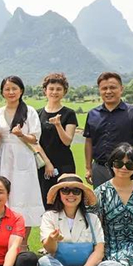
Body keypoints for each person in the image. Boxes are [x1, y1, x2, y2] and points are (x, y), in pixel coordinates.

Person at [37, 173, 122, 266]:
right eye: (66, 190)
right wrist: (52, 239)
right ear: (59, 194)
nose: (71, 195)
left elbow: (99, 251)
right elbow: (49, 249)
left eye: (76, 191)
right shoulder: (49, 216)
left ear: (82, 195)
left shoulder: (92, 218)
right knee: (44, 263)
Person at [0, 75, 44, 247]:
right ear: (2, 92)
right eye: (7, 89)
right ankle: (4, 242)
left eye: (14, 88)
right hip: (3, 158)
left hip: (23, 158)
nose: (11, 92)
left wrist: (21, 134)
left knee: (25, 198)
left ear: (21, 90)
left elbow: (35, 138)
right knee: (5, 197)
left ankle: (23, 243)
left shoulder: (29, 111)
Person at [84, 72, 133, 188]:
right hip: (99, 169)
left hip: (125, 169)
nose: (108, 91)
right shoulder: (92, 114)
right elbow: (89, 141)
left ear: (121, 89)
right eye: (104, 88)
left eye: (113, 87)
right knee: (99, 199)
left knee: (127, 199)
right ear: (99, 90)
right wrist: (89, 168)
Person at [36, 73, 78, 205]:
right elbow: (35, 142)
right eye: (51, 89)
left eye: (59, 89)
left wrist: (58, 125)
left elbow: (67, 141)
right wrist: (47, 163)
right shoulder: (37, 114)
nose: (54, 92)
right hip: (43, 164)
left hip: (64, 163)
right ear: (45, 91)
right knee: (46, 200)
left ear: (64, 91)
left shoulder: (69, 114)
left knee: (66, 199)